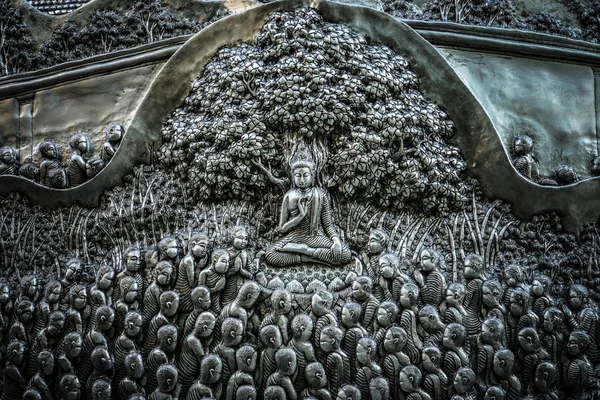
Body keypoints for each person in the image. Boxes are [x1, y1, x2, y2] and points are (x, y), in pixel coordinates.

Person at [265, 144, 351, 267]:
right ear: (293, 176)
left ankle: (304, 252)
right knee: (270, 254)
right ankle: (307, 257)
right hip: (294, 237)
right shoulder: (289, 196)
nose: (302, 180)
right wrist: (300, 216)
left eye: (305, 175)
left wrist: (336, 241)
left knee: (345, 254)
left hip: (315, 237)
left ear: (312, 175)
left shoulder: (320, 194)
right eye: (298, 175)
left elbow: (327, 224)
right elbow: (282, 228)